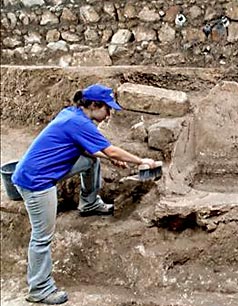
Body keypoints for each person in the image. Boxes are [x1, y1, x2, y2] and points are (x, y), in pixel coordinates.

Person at [12, 84, 159, 304]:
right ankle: (39, 288)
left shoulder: (72, 114)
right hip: (37, 182)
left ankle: (89, 203)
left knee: (91, 159)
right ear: (93, 105)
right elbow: (110, 149)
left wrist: (110, 157)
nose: (109, 114)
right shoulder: (77, 122)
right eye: (107, 109)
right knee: (42, 237)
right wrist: (142, 161)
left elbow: (90, 149)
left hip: (43, 171)